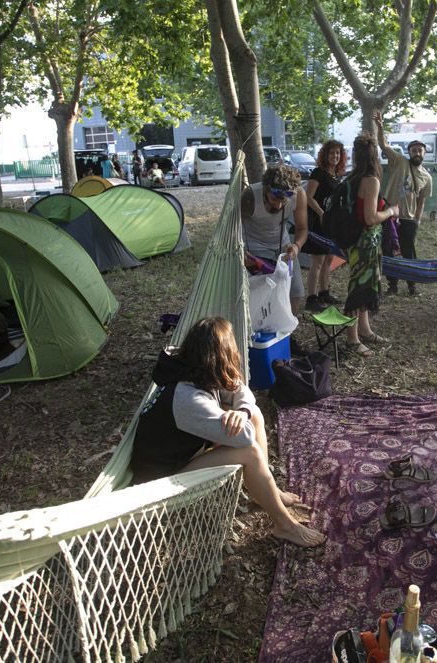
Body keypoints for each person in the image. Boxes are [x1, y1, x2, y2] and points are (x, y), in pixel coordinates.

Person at [131, 317, 326, 547]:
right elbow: (245, 437)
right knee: (249, 451)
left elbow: (238, 388)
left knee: (253, 414)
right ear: (220, 357)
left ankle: (269, 489)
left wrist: (241, 411)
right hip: (160, 479)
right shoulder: (188, 399)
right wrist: (234, 415)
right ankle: (285, 526)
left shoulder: (188, 367)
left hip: (179, 452)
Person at [343, 132, 400, 358]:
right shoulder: (371, 181)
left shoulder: (351, 178)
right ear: (375, 156)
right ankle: (352, 339)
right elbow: (370, 218)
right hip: (365, 242)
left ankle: (364, 330)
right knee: (358, 289)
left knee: (365, 287)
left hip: (358, 242)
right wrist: (391, 211)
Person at [375, 111, 432, 296]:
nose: (417, 153)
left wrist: (417, 220)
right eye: (414, 150)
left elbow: (422, 200)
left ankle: (411, 285)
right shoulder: (399, 161)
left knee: (409, 253)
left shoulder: (427, 177)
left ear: (424, 153)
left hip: (408, 219)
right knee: (388, 251)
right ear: (409, 152)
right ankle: (392, 285)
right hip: (390, 215)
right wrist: (380, 126)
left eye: (420, 150)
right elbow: (382, 145)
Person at [241, 164, 309, 316]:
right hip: (254, 248)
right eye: (273, 199)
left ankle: (287, 333)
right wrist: (241, 253)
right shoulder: (250, 195)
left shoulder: (298, 194)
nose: (278, 205)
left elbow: (302, 228)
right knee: (261, 293)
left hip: (283, 247)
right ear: (266, 189)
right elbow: (232, 229)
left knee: (295, 291)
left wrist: (296, 246)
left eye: (283, 201)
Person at [302, 140, 347, 312]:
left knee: (329, 258)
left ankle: (324, 292)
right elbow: (308, 196)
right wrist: (321, 213)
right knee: (318, 261)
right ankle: (311, 298)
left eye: (338, 153)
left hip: (331, 224)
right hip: (318, 222)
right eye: (332, 153)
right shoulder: (318, 173)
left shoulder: (336, 175)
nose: (335, 156)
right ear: (325, 155)